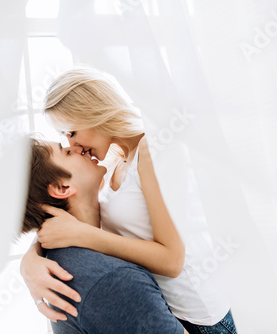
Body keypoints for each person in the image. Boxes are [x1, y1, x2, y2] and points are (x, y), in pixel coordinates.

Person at [21, 67, 237, 334]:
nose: (73, 146)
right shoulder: (111, 161)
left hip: (201, 320)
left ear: (91, 112)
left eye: (72, 132)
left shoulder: (150, 150)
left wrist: (83, 235)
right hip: (161, 309)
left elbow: (172, 261)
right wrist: (29, 261)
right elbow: (65, 209)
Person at [20, 138, 187, 334]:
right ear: (62, 188)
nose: (77, 147)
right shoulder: (111, 280)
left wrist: (28, 258)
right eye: (65, 152)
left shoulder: (59, 253)